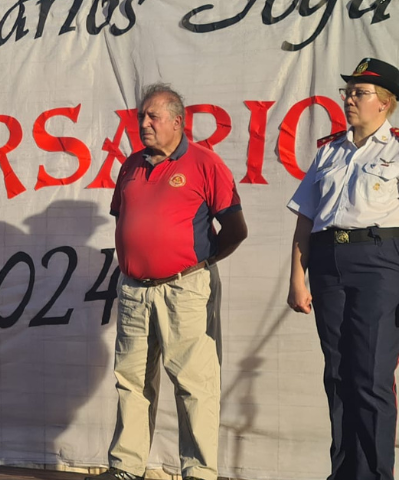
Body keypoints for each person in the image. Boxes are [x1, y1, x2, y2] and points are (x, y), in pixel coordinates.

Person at [88, 83, 247, 480]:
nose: (144, 123)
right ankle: (126, 467)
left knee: (194, 382)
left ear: (178, 122)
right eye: (142, 116)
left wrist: (200, 263)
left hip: (185, 288)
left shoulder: (204, 163)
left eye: (152, 117)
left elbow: (235, 228)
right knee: (132, 379)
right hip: (134, 290)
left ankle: (199, 472)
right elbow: (125, 218)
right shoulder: (131, 165)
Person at [286, 57, 399, 480]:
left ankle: (375, 474)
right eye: (348, 92)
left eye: (359, 93)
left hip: (380, 262)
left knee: (370, 375)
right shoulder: (329, 151)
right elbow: (304, 218)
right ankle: (345, 472)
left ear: (384, 103)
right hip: (328, 262)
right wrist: (298, 276)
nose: (349, 99)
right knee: (337, 373)